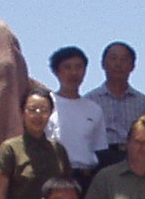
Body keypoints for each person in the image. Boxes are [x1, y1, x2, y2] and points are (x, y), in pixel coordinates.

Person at [85, 41, 145, 168]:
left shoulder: (144, 103)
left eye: (124, 59)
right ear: (103, 64)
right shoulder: (89, 101)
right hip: (99, 160)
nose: (118, 64)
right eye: (113, 58)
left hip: (134, 159)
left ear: (133, 66)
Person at [45, 45, 107, 191]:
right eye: (67, 67)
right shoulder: (46, 104)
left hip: (85, 178)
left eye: (79, 67)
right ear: (56, 71)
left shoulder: (94, 109)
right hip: (53, 176)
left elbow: (100, 148)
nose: (74, 72)